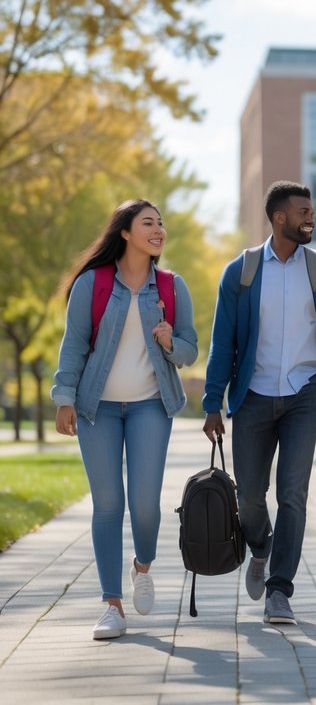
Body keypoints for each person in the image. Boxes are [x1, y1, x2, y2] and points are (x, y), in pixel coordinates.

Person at [203, 181, 316, 626]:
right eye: (304, 212)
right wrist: (213, 402)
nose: (311, 218)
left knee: (293, 492)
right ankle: (259, 547)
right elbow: (223, 343)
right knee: (250, 496)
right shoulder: (242, 272)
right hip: (252, 395)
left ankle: (280, 590)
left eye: (312, 211)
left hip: (304, 391)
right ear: (279, 218)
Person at [51, 199, 198, 640]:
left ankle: (143, 566)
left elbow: (191, 352)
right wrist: (64, 397)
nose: (158, 230)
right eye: (148, 223)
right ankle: (111, 604)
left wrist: (172, 340)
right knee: (108, 505)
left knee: (146, 505)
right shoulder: (92, 285)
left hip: (151, 405)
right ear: (126, 233)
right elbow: (74, 346)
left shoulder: (172, 287)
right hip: (98, 408)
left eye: (161, 224)